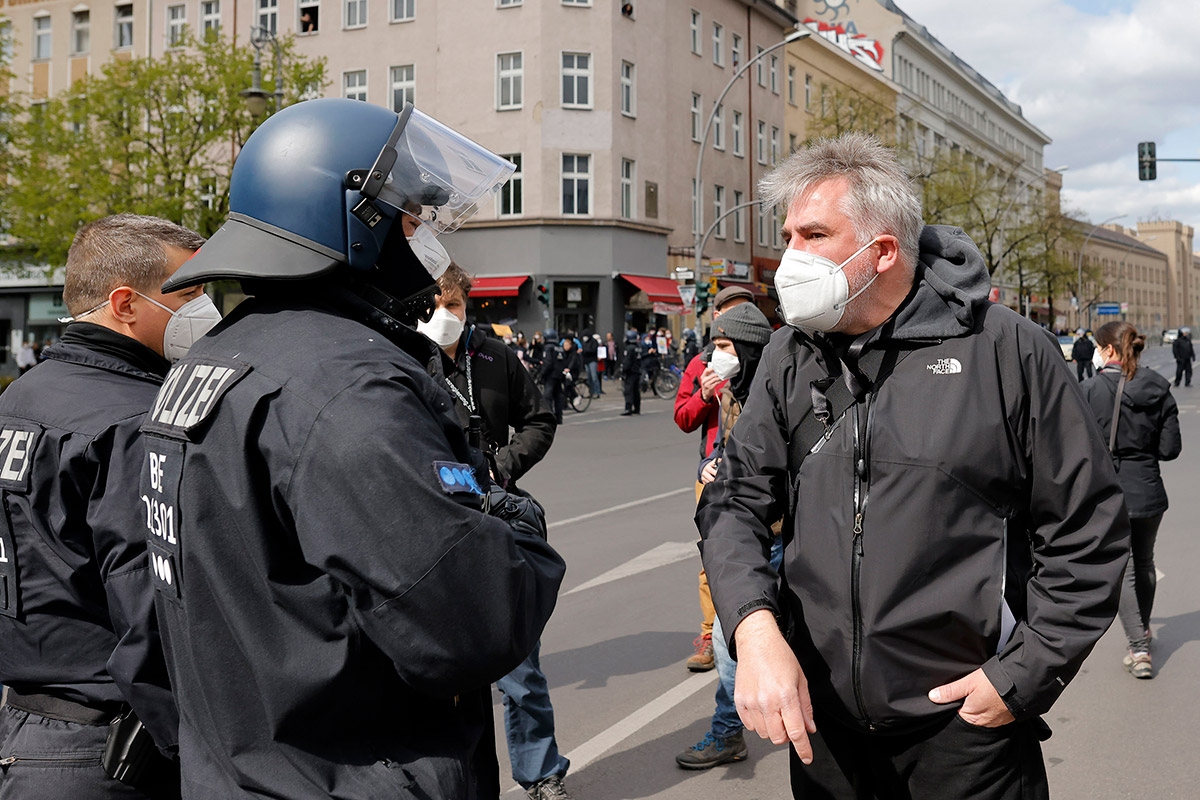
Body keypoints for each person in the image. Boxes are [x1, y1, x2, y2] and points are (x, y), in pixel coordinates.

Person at [138, 98, 566, 799]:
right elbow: (477, 622)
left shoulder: (207, 360)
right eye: (410, 216)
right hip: (355, 772)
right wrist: (516, 527)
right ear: (353, 219)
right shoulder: (348, 386)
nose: (424, 236)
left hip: (241, 767)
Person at [696, 132, 1129, 799]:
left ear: (883, 251)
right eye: (787, 236)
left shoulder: (1007, 350)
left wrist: (1021, 677)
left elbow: (1087, 529)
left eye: (812, 235)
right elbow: (732, 504)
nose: (789, 259)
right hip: (824, 731)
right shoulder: (789, 355)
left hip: (966, 733)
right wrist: (753, 629)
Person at [0, 213, 212, 799]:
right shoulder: (134, 420)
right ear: (124, 304)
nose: (207, 310)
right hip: (116, 745)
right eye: (190, 293)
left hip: (29, 727)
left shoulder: (25, 396)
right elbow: (156, 603)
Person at [417, 263, 570, 799]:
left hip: (496, 518)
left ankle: (542, 773)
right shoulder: (405, 359)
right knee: (442, 676)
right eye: (433, 305)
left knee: (520, 669)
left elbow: (540, 420)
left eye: (452, 306)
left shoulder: (495, 355)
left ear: (467, 305)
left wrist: (502, 466)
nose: (443, 316)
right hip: (433, 526)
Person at [675, 302, 779, 770]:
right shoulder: (731, 392)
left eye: (722, 347)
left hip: (783, 533)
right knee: (727, 635)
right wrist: (711, 465)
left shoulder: (778, 390)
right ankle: (730, 730)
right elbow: (711, 439)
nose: (714, 357)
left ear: (749, 347)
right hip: (748, 531)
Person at [1081, 321, 1181, 680]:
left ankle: (1139, 646)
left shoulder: (1089, 390)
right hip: (1150, 491)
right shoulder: (1160, 389)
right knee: (1144, 563)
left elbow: (1078, 450)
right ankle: (1143, 634)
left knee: (1122, 569)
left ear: (1108, 350)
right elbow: (1171, 449)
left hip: (1112, 494)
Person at [672, 285, 755, 673]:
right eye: (726, 317)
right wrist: (704, 395)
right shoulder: (702, 364)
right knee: (713, 561)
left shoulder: (765, 361)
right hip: (713, 474)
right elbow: (684, 419)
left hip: (758, 476)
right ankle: (711, 635)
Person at [539, 328, 569, 424]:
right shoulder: (559, 347)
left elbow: (547, 362)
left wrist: (542, 374)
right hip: (559, 375)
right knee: (558, 396)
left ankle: (549, 417)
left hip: (550, 375)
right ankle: (559, 417)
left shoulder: (548, 348)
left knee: (547, 396)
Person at [620, 329, 641, 416]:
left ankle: (628, 408)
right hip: (637, 371)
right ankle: (637, 408)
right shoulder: (637, 347)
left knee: (628, 390)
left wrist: (623, 370)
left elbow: (627, 361)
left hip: (630, 372)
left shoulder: (629, 349)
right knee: (636, 390)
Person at [580, 329, 600, 397]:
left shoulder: (593, 342)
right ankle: (591, 392)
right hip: (586, 361)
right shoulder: (584, 342)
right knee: (589, 378)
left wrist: (584, 350)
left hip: (592, 361)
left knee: (594, 377)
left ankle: (596, 392)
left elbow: (594, 350)